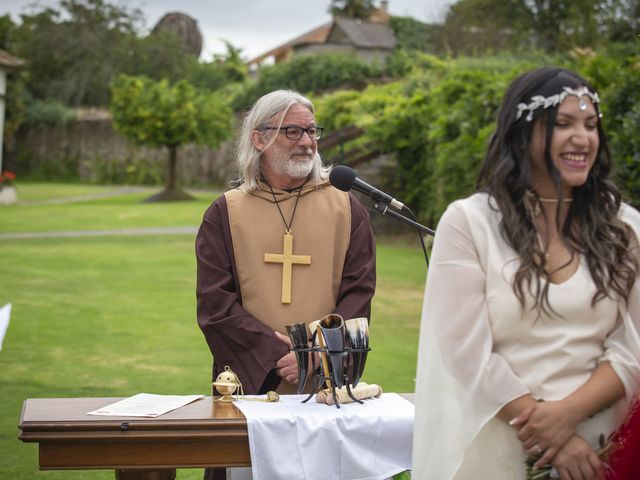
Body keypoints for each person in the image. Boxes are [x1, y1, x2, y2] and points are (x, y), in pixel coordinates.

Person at [412, 66, 640, 480]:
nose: (582, 138)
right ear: (523, 133)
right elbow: (465, 350)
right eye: (564, 124)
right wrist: (548, 432)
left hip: (601, 450)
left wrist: (567, 416)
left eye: (591, 125)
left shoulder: (626, 227)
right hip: (500, 442)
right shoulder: (469, 223)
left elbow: (633, 344)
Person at [196, 89, 376, 395]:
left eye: (310, 131)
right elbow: (216, 305)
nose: (306, 142)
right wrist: (275, 355)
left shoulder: (347, 209)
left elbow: (358, 295)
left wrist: (318, 354)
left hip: (327, 385)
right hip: (252, 382)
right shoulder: (225, 213)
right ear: (259, 139)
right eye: (292, 131)